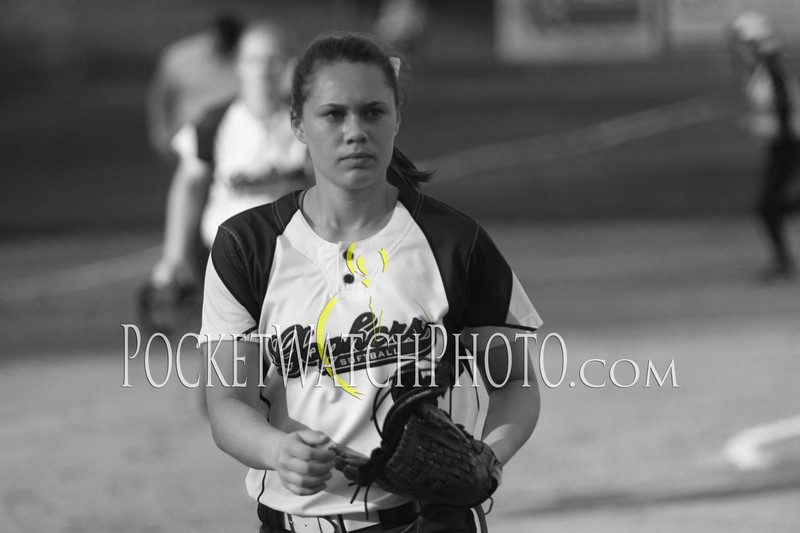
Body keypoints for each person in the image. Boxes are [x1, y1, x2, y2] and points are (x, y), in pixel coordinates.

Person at [200, 33, 541, 532]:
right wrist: (276, 450)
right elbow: (228, 403)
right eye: (333, 114)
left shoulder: (451, 242)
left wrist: (487, 458)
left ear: (396, 119)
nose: (355, 131)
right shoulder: (247, 246)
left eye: (373, 112)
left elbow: (515, 380)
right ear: (297, 123)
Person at [150, 20, 312, 292]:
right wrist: (174, 255)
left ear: (290, 65)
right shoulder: (213, 124)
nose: (262, 69)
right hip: (225, 258)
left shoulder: (309, 123)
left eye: (273, 60)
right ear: (239, 64)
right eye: (253, 59)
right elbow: (188, 186)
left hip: (295, 261)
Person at [731, 11, 800, 281]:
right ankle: (783, 260)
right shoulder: (762, 70)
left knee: (768, 206)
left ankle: (783, 261)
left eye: (744, 42)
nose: (740, 49)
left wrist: (760, 127)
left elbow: (785, 116)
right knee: (770, 206)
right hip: (783, 144)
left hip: (790, 144)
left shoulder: (772, 70)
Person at [147, 12, 243, 160]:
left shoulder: (244, 59)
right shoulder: (179, 58)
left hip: (232, 141)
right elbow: (161, 96)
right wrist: (160, 132)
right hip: (189, 139)